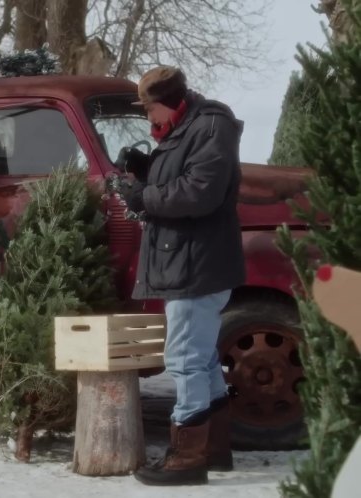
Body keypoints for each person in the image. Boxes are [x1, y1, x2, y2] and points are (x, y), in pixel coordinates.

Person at [118, 66, 246, 486]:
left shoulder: (210, 125)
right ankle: (213, 449)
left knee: (185, 359)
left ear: (168, 101)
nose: (148, 119)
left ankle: (187, 456)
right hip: (191, 259)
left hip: (197, 262)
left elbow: (200, 191)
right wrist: (147, 170)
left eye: (149, 109)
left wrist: (145, 196)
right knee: (203, 356)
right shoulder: (187, 126)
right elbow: (183, 175)